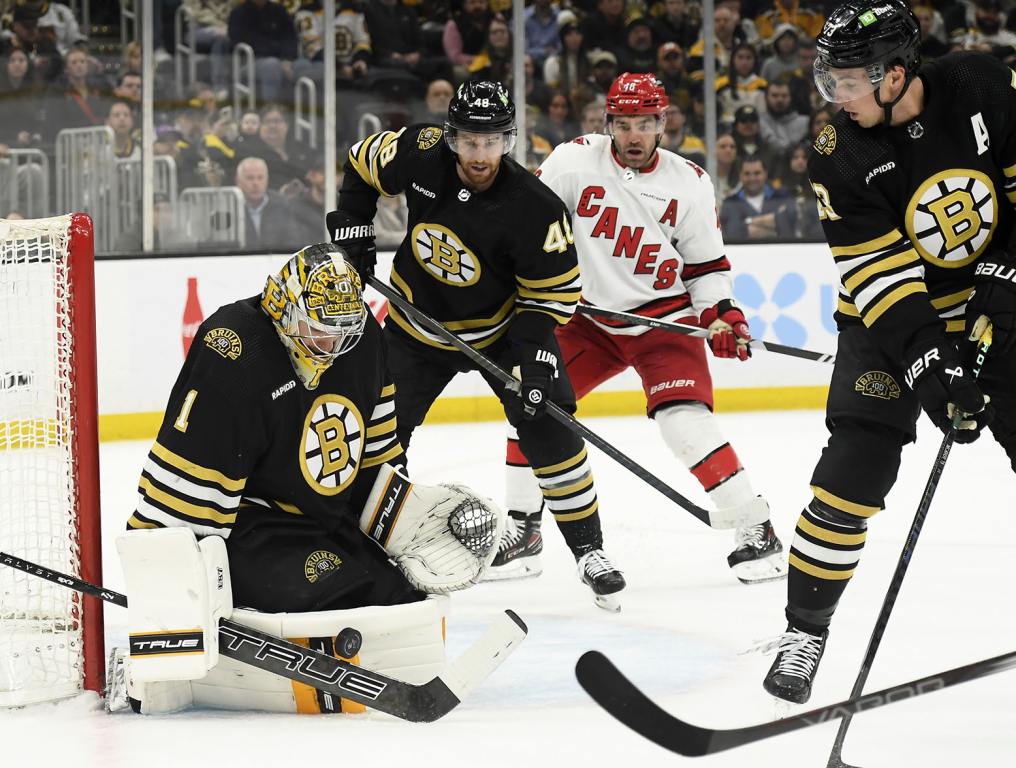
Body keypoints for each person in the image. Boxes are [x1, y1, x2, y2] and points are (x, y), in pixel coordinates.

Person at [117, 241, 506, 714]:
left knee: (399, 593)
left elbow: (376, 459)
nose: (335, 347)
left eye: (345, 333)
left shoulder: (364, 341)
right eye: (321, 333)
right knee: (338, 590)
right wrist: (167, 602)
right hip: (248, 524)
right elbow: (181, 497)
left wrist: (400, 517)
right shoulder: (236, 351)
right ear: (284, 309)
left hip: (323, 516)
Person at [762, 0, 1014, 706]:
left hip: (999, 299)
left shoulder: (983, 87)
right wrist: (936, 373)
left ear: (896, 73)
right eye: (830, 81)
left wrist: (1002, 297)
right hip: (887, 324)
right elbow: (882, 282)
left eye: (846, 81)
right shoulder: (838, 152)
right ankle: (804, 629)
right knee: (854, 467)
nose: (834, 96)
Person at [332, 80, 626, 610]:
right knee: (380, 429)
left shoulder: (536, 207)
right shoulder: (419, 152)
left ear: (510, 140)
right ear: (450, 137)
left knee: (548, 420)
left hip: (502, 333)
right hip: (416, 326)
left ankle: (589, 550)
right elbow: (360, 165)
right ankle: (365, 541)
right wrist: (354, 224)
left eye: (492, 142)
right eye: (469, 141)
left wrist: (535, 355)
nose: (480, 155)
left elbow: (549, 295)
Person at [498, 72, 787, 588]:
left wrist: (720, 314)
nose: (634, 136)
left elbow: (705, 267)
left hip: (661, 320)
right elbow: (520, 220)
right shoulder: (571, 162)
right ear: (608, 123)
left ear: (663, 124)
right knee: (530, 399)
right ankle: (523, 529)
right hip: (584, 319)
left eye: (645, 123)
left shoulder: (690, 182)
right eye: (624, 123)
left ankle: (754, 527)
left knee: (684, 422)